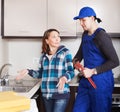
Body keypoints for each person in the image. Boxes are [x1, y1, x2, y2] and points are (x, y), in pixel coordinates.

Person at [72, 6, 119, 112]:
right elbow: (79, 55)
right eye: (80, 20)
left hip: (101, 83)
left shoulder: (101, 36)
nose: (81, 23)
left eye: (83, 20)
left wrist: (93, 71)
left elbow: (115, 61)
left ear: (92, 18)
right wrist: (76, 63)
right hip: (86, 82)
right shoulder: (85, 35)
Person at [16, 29, 75, 112]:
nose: (57, 39)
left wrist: (65, 78)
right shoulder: (43, 56)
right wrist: (28, 71)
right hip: (46, 94)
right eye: (54, 37)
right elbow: (40, 74)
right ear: (47, 41)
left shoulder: (65, 52)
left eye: (58, 36)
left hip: (60, 93)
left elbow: (71, 71)